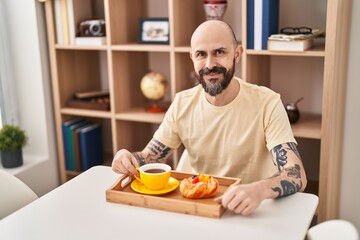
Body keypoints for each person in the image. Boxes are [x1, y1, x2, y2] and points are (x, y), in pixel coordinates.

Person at [112, 20, 307, 216]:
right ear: (192, 57)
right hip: (197, 208)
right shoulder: (182, 103)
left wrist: (260, 189)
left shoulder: (268, 103)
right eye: (201, 54)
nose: (209, 64)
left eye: (219, 52)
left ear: (237, 54)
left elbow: (296, 174)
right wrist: (128, 158)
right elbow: (149, 158)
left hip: (250, 210)